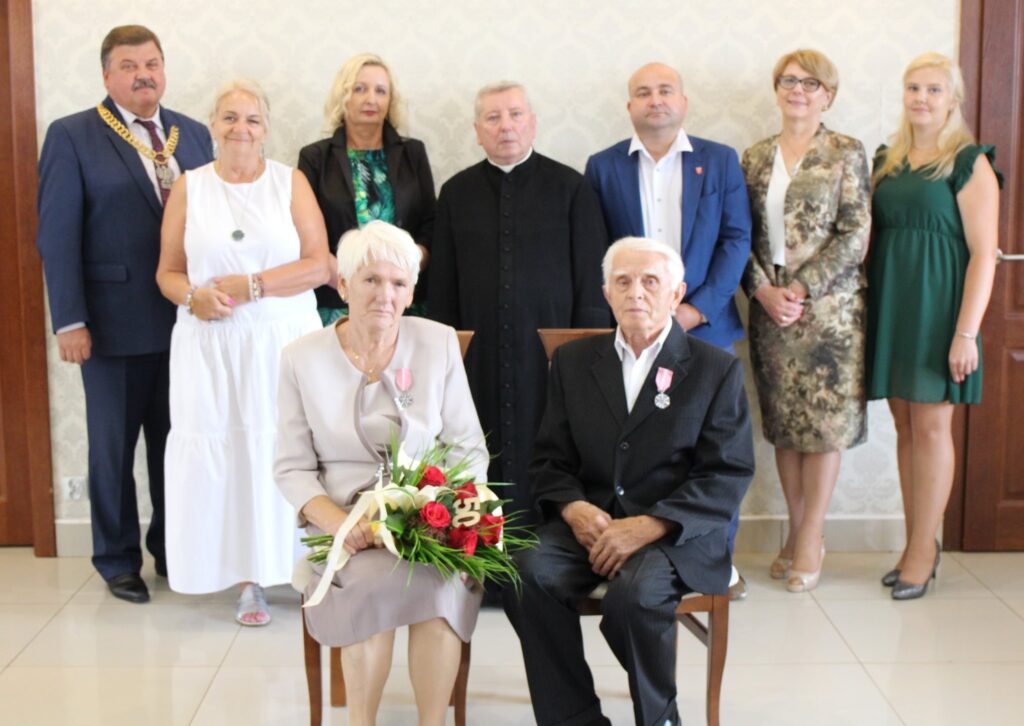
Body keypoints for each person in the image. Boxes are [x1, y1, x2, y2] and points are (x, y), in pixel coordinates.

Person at [505, 236, 755, 726]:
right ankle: (573, 717)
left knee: (634, 599)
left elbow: (726, 473)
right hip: (592, 527)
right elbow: (550, 459)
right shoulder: (574, 362)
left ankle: (660, 718)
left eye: (650, 282)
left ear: (676, 294)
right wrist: (573, 508)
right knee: (524, 574)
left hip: (676, 534)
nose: (635, 292)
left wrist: (651, 525)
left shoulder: (715, 369)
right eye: (623, 281)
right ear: (606, 292)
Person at [275, 221, 488, 726]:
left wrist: (440, 509)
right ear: (343, 285)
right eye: (370, 280)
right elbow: (292, 467)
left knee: (439, 589)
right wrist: (341, 526)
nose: (385, 295)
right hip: (346, 521)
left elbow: (467, 448)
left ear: (411, 292)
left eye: (398, 283)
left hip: (427, 517)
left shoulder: (437, 343)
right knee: (371, 586)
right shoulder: (301, 358)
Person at [35, 25, 212, 604]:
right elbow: (57, 236)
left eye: (152, 63)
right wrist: (70, 321)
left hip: (187, 325)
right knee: (113, 450)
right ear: (107, 75)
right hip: (110, 326)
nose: (144, 75)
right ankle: (117, 560)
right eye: (130, 66)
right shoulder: (73, 135)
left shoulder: (194, 134)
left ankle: (172, 549)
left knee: (176, 445)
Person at [156, 79, 330, 624]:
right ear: (212, 125)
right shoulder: (189, 187)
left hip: (280, 340)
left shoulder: (290, 181)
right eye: (229, 117)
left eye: (252, 119)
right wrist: (193, 297)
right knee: (229, 455)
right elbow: (167, 272)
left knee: (288, 451)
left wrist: (253, 286)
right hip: (211, 346)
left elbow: (319, 264)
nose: (241, 128)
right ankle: (246, 581)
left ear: (266, 128)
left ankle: (304, 570)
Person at [585, 62, 752, 597]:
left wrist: (693, 310)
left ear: (683, 101)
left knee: (714, 452)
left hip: (703, 327)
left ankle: (716, 562)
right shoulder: (603, 166)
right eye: (643, 92)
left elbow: (736, 240)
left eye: (664, 90)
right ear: (629, 106)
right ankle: (636, 556)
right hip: (632, 330)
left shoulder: (719, 160)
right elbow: (598, 248)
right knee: (642, 445)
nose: (654, 100)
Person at [428, 81, 610, 526]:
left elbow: (592, 280)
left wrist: (585, 354)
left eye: (515, 115)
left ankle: (548, 548)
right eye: (493, 118)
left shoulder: (571, 187)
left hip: (550, 356)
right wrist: (445, 352)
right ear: (477, 131)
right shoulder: (455, 193)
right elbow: (442, 287)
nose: (505, 126)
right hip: (478, 357)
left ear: (533, 123)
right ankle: (477, 544)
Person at [867, 52, 1001, 600]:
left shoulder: (968, 162)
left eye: (934, 89)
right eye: (914, 88)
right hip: (892, 303)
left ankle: (924, 550)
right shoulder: (887, 159)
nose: (922, 98)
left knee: (930, 428)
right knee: (905, 425)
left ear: (954, 100)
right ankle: (914, 543)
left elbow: (984, 255)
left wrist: (966, 333)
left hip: (939, 310)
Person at [741, 50, 871, 592]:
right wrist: (763, 290)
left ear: (828, 95)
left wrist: (800, 287)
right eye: (789, 80)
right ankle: (796, 534)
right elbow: (740, 235)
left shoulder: (846, 151)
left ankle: (812, 534)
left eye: (810, 83)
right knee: (786, 429)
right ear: (777, 89)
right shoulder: (754, 157)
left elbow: (856, 233)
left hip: (830, 315)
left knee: (822, 428)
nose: (798, 89)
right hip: (770, 312)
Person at [298, 53, 436, 324]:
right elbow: (307, 235)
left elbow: (430, 222)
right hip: (337, 301)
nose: (371, 99)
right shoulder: (315, 158)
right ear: (343, 95)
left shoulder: (413, 153)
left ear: (390, 100)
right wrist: (350, 284)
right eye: (359, 89)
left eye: (380, 91)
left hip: (403, 300)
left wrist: (408, 269)